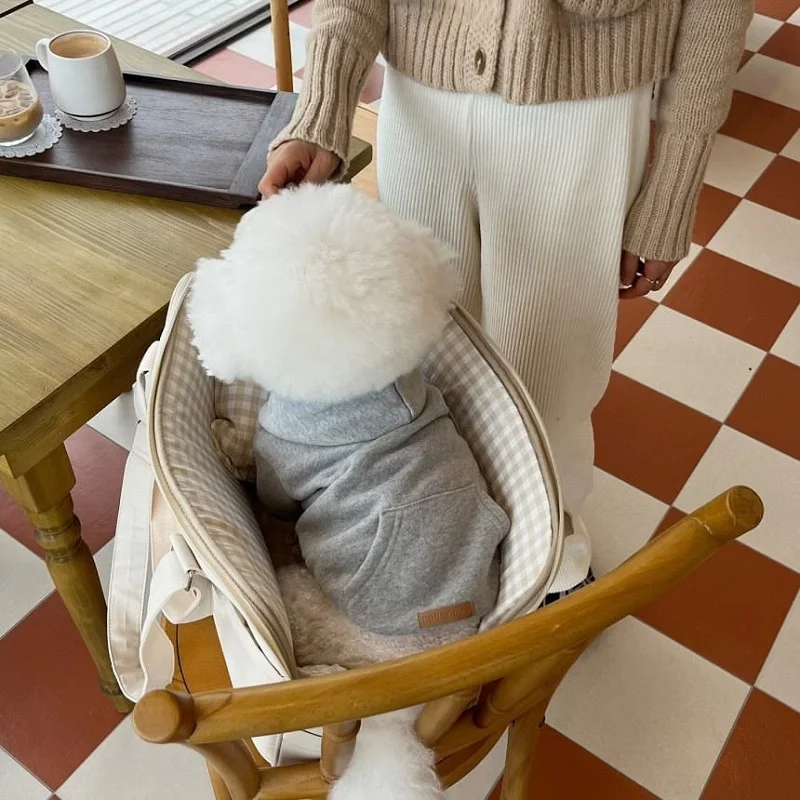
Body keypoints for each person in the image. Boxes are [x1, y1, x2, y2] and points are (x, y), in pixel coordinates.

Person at [259, 0, 752, 598]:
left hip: (584, 104)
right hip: (422, 89)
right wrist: (321, 109)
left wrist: (674, 178)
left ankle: (549, 549)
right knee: (419, 348)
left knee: (548, 374)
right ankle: (443, 528)